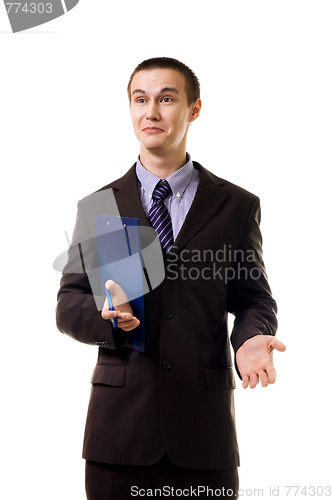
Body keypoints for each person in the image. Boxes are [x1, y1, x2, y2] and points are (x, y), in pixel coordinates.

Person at [56, 57, 286, 499]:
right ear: (130, 109)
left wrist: (251, 337)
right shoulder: (100, 207)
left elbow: (255, 298)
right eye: (140, 100)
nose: (151, 112)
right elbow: (68, 304)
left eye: (166, 98)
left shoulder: (236, 205)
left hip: (204, 435)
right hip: (118, 435)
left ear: (194, 109)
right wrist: (106, 317)